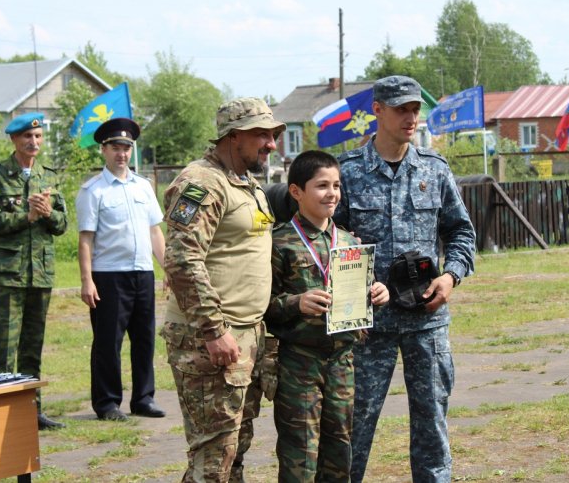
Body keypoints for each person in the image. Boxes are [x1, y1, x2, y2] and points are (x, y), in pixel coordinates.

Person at [334, 75, 477, 482]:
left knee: (432, 425)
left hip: (426, 322)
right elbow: (329, 243)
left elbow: (461, 231)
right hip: (367, 326)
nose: (410, 117)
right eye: (401, 109)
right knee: (353, 426)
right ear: (377, 110)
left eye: (415, 109)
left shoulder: (433, 169)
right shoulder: (347, 172)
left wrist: (451, 276)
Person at [161, 97, 286, 482]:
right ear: (233, 137)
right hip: (212, 341)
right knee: (213, 457)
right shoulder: (201, 183)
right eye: (261, 135)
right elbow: (182, 260)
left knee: (234, 450)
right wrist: (214, 330)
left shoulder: (247, 183)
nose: (271, 143)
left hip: (247, 337)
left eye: (273, 134)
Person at [266, 150, 389, 481]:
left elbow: (360, 290)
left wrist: (377, 292)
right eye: (321, 185)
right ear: (296, 192)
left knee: (339, 450)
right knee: (299, 453)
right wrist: (296, 303)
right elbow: (262, 306)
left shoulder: (349, 242)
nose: (332, 193)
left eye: (336, 185)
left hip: (342, 362)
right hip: (299, 365)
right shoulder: (280, 243)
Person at [0, 111, 68, 431]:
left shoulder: (49, 175)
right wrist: (25, 217)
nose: (34, 142)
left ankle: (32, 412)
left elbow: (62, 225)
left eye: (39, 136)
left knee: (32, 347)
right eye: (27, 137)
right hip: (8, 275)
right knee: (2, 348)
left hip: (40, 274)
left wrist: (46, 215)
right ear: (14, 140)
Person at [75, 118, 167, 422]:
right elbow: (85, 239)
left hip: (142, 273)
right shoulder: (93, 190)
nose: (122, 153)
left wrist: (167, 269)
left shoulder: (143, 186)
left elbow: (155, 231)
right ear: (104, 150)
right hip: (109, 275)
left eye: (127, 147)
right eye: (116, 147)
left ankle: (143, 398)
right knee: (108, 342)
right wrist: (87, 280)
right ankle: (107, 402)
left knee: (144, 339)